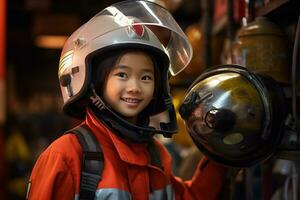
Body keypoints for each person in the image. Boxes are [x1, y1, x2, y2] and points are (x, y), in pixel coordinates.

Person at [27, 1, 228, 199]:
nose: (135, 87)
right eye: (122, 74)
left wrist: (223, 150)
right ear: (94, 82)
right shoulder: (66, 155)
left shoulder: (155, 153)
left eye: (146, 77)